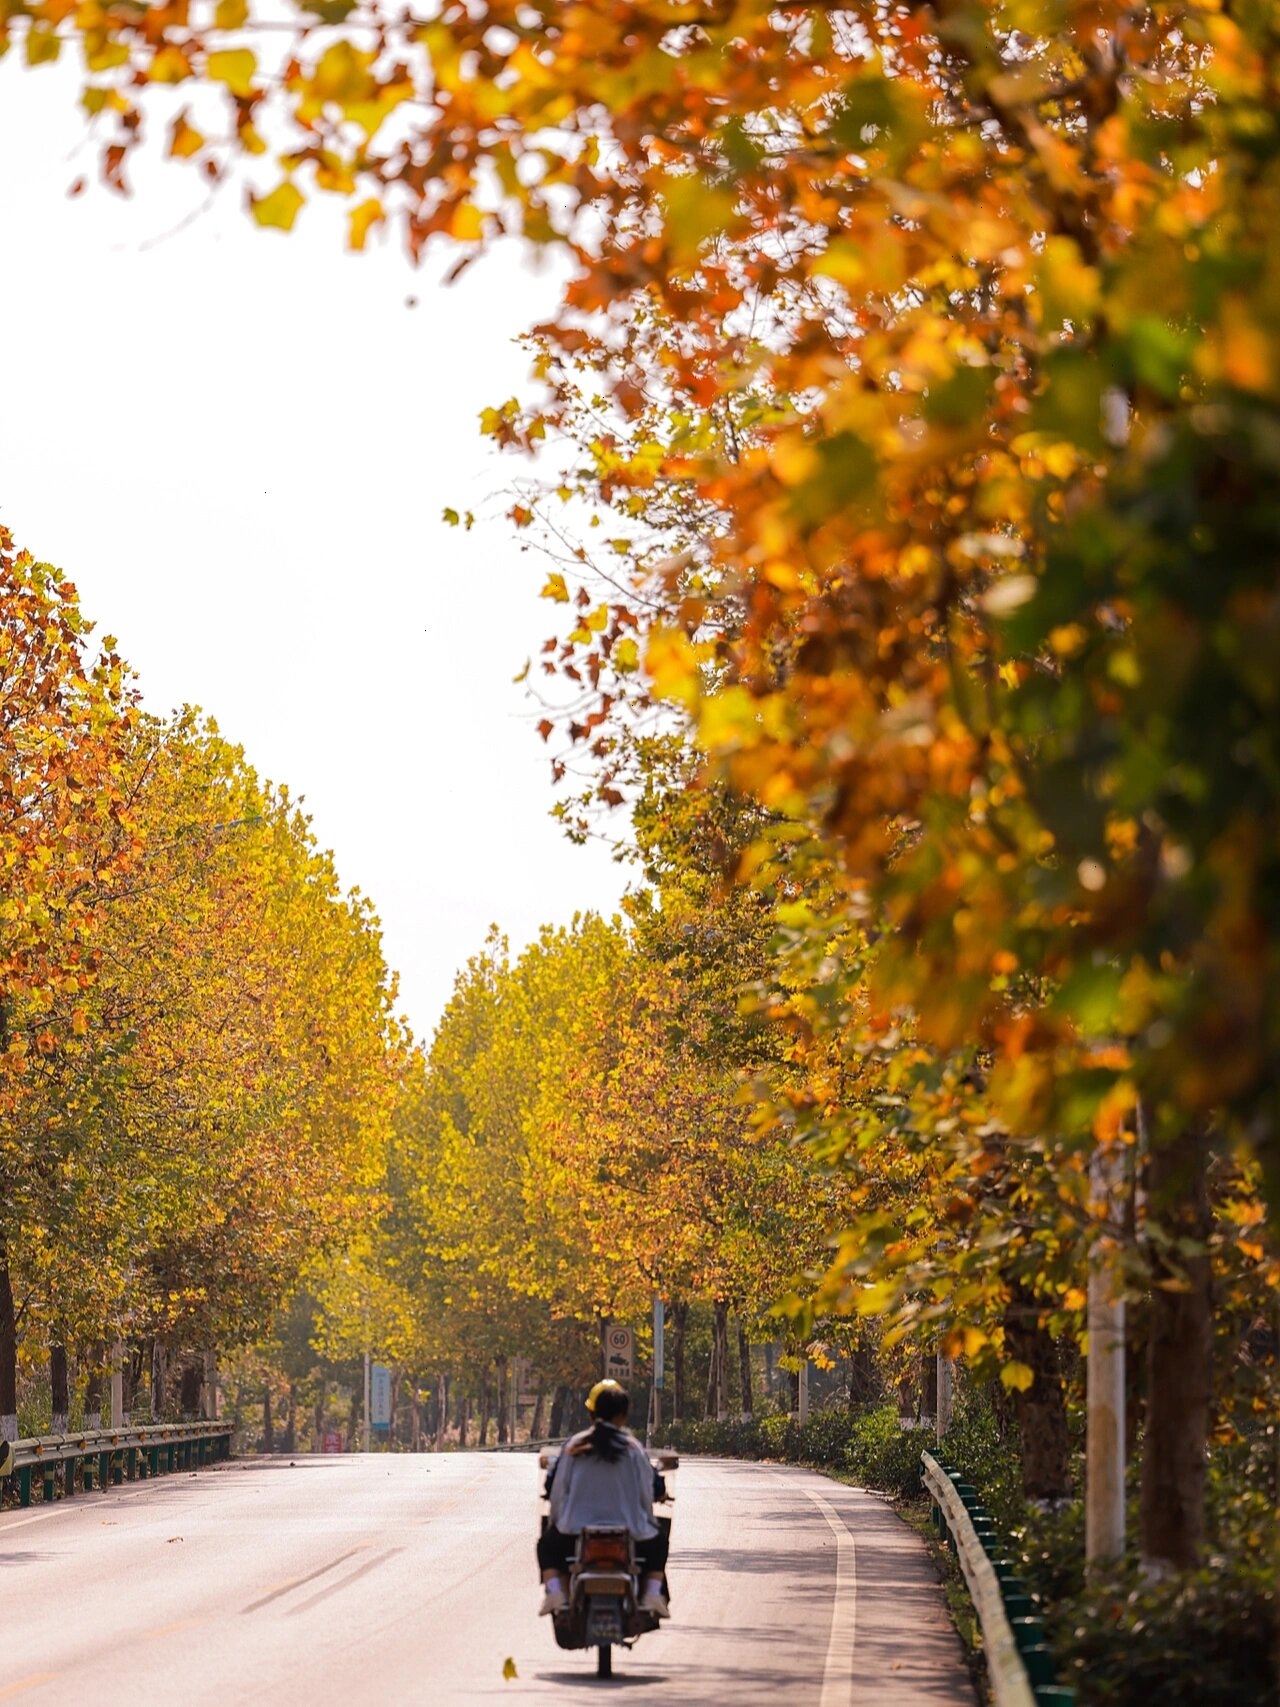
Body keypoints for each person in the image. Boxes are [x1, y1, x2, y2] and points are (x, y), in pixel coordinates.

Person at [537, 1380, 670, 1619]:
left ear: (591, 1412)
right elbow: (647, 1490)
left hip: (576, 1533)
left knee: (547, 1546)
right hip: (629, 1533)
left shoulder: (573, 1446)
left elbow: (557, 1490)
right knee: (659, 1542)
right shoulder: (633, 1448)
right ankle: (651, 1593)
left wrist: (557, 1521)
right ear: (624, 1414)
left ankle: (555, 1591)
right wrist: (644, 1519)